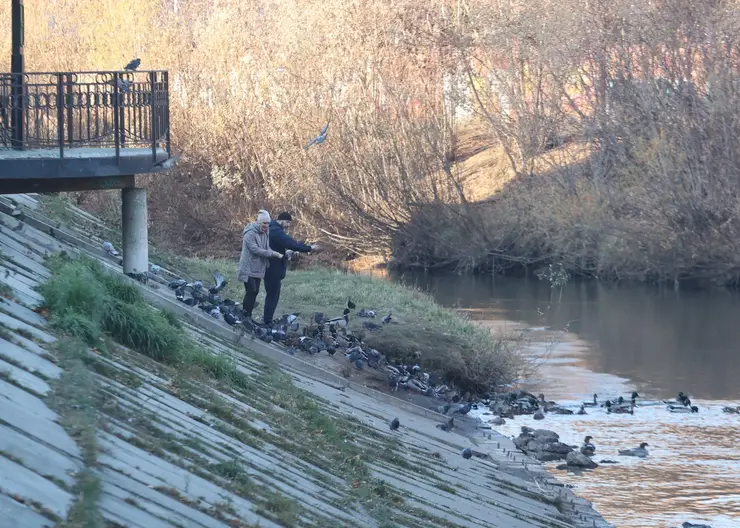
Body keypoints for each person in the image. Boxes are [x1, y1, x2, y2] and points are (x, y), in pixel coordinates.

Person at [263, 212, 320, 325]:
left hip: (271, 266)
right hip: (272, 268)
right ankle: (267, 321)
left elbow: (276, 246)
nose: (289, 225)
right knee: (273, 295)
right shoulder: (275, 230)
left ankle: (267, 319)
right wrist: (309, 248)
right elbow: (289, 242)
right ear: (282, 220)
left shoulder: (273, 228)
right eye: (288, 222)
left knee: (272, 295)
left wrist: (285, 252)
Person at [238, 209, 283, 323]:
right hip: (248, 267)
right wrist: (271, 254)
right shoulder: (250, 233)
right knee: (251, 290)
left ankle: (248, 316)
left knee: (256, 291)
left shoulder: (266, 232)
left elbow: (266, 247)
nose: (266, 226)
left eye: (268, 223)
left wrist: (276, 253)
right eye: (264, 223)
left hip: (259, 267)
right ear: (259, 222)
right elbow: (255, 249)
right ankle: (245, 315)